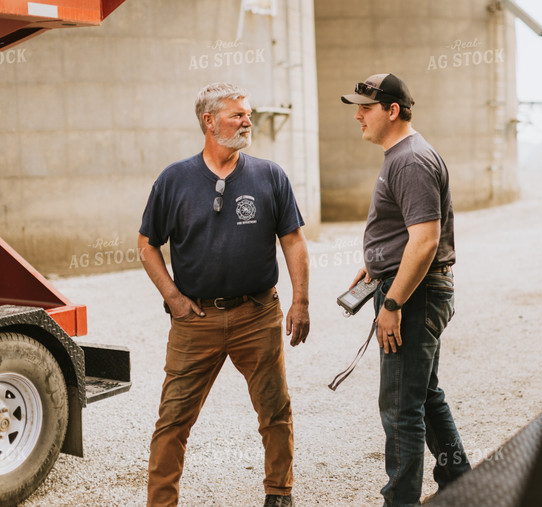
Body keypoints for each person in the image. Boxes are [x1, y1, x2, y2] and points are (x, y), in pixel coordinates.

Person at [138, 82, 309, 507]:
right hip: (195, 321)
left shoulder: (269, 175)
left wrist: (301, 301)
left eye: (248, 113)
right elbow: (146, 245)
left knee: (274, 410)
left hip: (257, 314)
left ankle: (279, 493)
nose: (248, 121)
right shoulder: (174, 180)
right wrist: (174, 299)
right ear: (209, 122)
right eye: (237, 114)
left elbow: (293, 240)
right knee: (172, 421)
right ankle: (160, 503)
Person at [341, 73, 471, 506]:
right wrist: (375, 264)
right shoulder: (402, 155)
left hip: (413, 297)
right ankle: (460, 482)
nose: (358, 115)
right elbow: (408, 233)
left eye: (366, 106)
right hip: (410, 286)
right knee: (424, 395)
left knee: (400, 407)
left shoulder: (411, 160)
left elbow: (426, 240)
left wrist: (393, 301)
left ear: (392, 110)